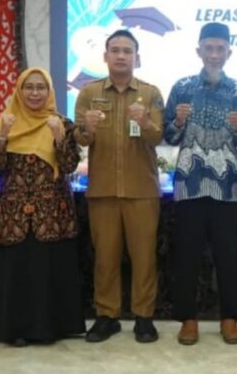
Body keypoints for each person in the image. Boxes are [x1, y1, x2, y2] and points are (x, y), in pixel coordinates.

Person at [0, 67, 84, 346]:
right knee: (15, 271)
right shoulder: (5, 121)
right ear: (19, 90)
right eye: (29, 87)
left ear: (49, 91)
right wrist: (3, 134)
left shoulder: (61, 122)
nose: (35, 93)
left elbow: (69, 166)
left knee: (46, 269)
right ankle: (14, 329)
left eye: (41, 87)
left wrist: (59, 137)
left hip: (51, 212)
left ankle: (48, 329)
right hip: (11, 212)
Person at [75, 29, 164, 344]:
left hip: (142, 190)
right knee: (105, 257)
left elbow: (158, 137)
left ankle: (144, 317)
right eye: (115, 50)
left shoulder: (150, 93)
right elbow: (79, 139)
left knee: (144, 257)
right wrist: (86, 129)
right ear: (105, 56)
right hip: (103, 189)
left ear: (137, 58)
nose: (121, 56)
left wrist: (146, 122)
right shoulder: (89, 93)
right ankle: (106, 317)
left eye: (128, 51)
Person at [163, 22, 237, 346]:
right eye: (209, 48)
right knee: (187, 254)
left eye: (220, 49)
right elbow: (168, 136)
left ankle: (230, 318)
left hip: (227, 186)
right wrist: (179, 121)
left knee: (228, 255)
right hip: (190, 182)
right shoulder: (182, 87)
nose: (214, 54)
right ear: (198, 51)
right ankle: (188, 319)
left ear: (229, 52)